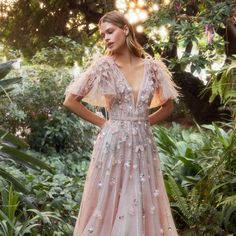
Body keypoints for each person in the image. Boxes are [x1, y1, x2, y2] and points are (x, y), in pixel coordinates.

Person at [63, 10, 179, 236]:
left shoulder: (152, 67)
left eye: (110, 31)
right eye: (102, 34)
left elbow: (169, 106)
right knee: (110, 201)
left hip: (143, 146)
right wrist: (103, 124)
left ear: (125, 30)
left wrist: (144, 122)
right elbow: (70, 101)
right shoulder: (103, 66)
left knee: (141, 199)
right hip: (112, 143)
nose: (106, 38)